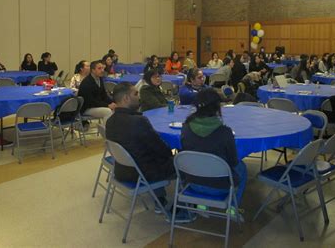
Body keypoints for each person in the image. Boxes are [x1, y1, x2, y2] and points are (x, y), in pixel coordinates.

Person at [105, 82, 193, 222]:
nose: (138, 97)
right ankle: (182, 208)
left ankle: (160, 200)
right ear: (126, 99)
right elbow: (162, 150)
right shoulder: (138, 121)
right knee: (185, 162)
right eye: (135, 94)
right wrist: (175, 155)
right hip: (143, 173)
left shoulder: (110, 121)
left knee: (148, 155)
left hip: (122, 169)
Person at [180, 88, 247, 214]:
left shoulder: (186, 128)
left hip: (192, 181)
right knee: (242, 166)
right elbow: (233, 161)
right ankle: (232, 207)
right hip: (220, 186)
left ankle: (201, 203)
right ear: (217, 107)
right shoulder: (225, 132)